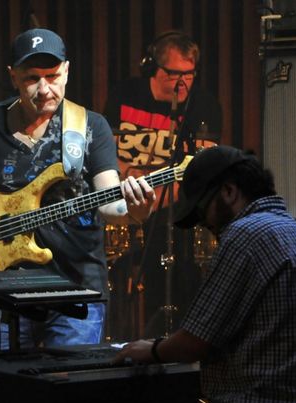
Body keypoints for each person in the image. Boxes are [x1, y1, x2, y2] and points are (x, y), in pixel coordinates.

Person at [0, 28, 156, 351]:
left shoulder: (90, 126)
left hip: (77, 288)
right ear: (13, 76)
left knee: (68, 381)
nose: (44, 89)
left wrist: (137, 210)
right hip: (1, 289)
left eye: (53, 76)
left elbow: (110, 204)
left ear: (67, 71)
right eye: (32, 78)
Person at [114, 146, 296, 403]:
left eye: (202, 210)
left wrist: (152, 349)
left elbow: (195, 341)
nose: (203, 223)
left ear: (228, 191)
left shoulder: (245, 234)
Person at [103, 30, 222, 338]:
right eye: (174, 74)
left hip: (168, 212)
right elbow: (105, 153)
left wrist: (151, 202)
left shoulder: (203, 105)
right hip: (121, 201)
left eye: (189, 74)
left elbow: (200, 171)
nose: (182, 83)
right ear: (153, 68)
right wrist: (128, 182)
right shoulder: (125, 95)